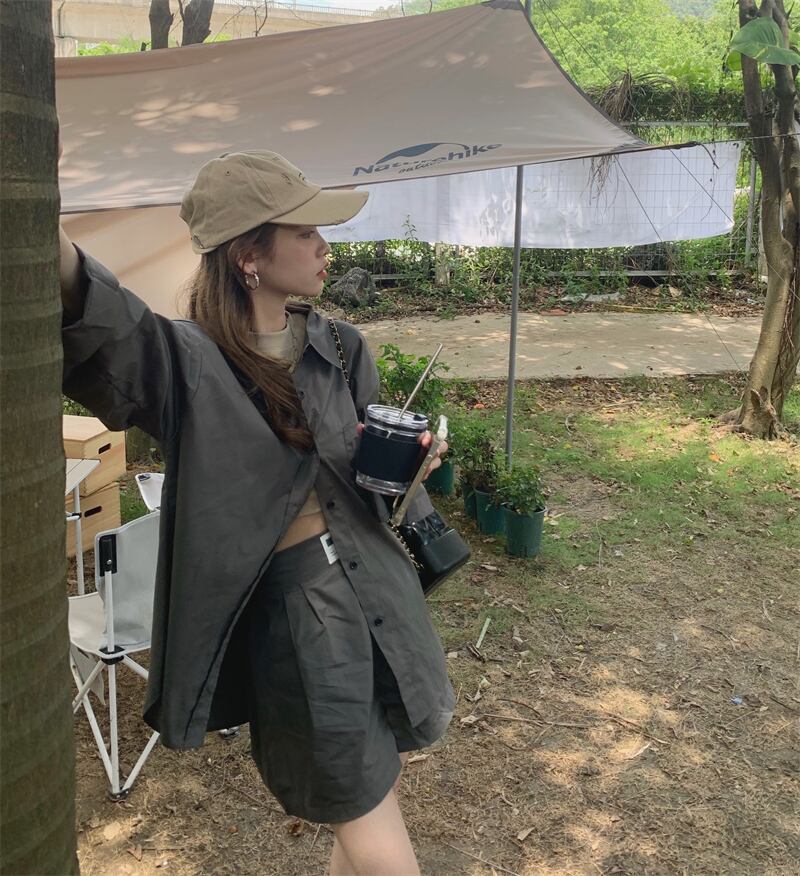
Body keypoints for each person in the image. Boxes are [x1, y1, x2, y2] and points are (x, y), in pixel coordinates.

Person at [59, 151, 455, 876]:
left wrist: (411, 469)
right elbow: (101, 315)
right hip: (303, 618)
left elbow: (368, 485)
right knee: (363, 809)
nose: (325, 247)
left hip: (378, 589)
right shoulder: (188, 363)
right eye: (305, 233)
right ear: (248, 255)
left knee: (376, 780)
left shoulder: (341, 346)